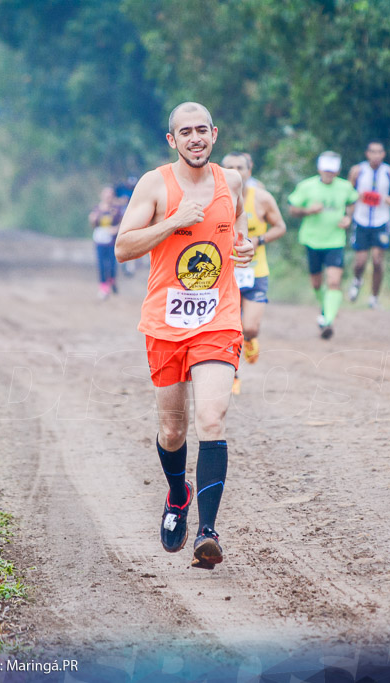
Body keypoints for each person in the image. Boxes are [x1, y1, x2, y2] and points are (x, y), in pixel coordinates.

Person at [115, 102, 254, 570]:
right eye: (185, 132)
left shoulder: (230, 182)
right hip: (165, 323)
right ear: (172, 141)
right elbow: (122, 247)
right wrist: (173, 221)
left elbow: (236, 232)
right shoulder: (155, 185)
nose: (195, 139)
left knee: (211, 420)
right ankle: (179, 495)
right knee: (173, 431)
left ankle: (207, 533)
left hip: (218, 318)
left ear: (214, 135)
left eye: (203, 131)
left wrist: (245, 247)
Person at [221, 152, 287, 394]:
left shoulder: (262, 198)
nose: (235, 171)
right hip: (225, 272)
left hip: (255, 271)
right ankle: (233, 374)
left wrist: (259, 239)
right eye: (229, 167)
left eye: (240, 166)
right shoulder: (215, 197)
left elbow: (281, 226)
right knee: (229, 328)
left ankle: (250, 339)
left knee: (249, 327)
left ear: (250, 170)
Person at [288, 151, 358, 339]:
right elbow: (292, 209)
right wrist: (308, 210)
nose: (329, 174)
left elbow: (352, 202)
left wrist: (348, 218)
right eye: (326, 170)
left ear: (338, 171)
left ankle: (328, 321)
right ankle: (325, 307)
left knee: (334, 282)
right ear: (319, 169)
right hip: (312, 240)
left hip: (335, 240)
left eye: (332, 171)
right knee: (317, 283)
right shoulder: (306, 187)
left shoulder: (345, 187)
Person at [347, 141, 390, 309]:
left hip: (381, 220)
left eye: (379, 152)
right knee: (360, 261)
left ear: (383, 154)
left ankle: (374, 297)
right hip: (361, 219)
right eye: (373, 152)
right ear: (367, 154)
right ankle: (357, 279)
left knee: (378, 261)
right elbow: (346, 191)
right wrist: (350, 211)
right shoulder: (357, 171)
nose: (376, 155)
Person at [89, 186, 121, 299]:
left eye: (110, 195)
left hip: (112, 242)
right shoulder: (97, 209)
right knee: (102, 265)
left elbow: (122, 223)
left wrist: (115, 229)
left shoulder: (116, 209)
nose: (108, 197)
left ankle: (112, 280)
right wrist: (92, 220)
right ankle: (103, 288)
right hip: (100, 241)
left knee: (112, 265)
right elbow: (93, 224)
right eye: (106, 194)